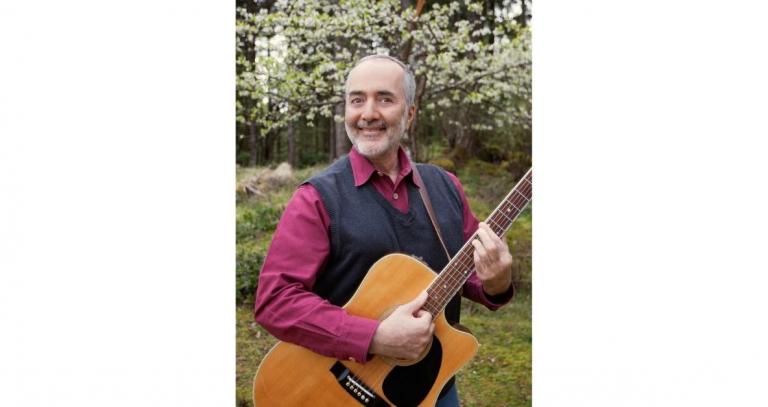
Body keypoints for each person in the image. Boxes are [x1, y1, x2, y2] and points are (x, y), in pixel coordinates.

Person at [254, 54, 515, 406]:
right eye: (357, 99)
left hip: (433, 389)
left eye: (385, 99)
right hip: (337, 386)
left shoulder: (446, 187)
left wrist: (497, 281)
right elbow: (275, 300)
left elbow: (470, 277)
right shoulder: (317, 197)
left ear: (410, 113)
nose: (368, 113)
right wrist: (374, 336)